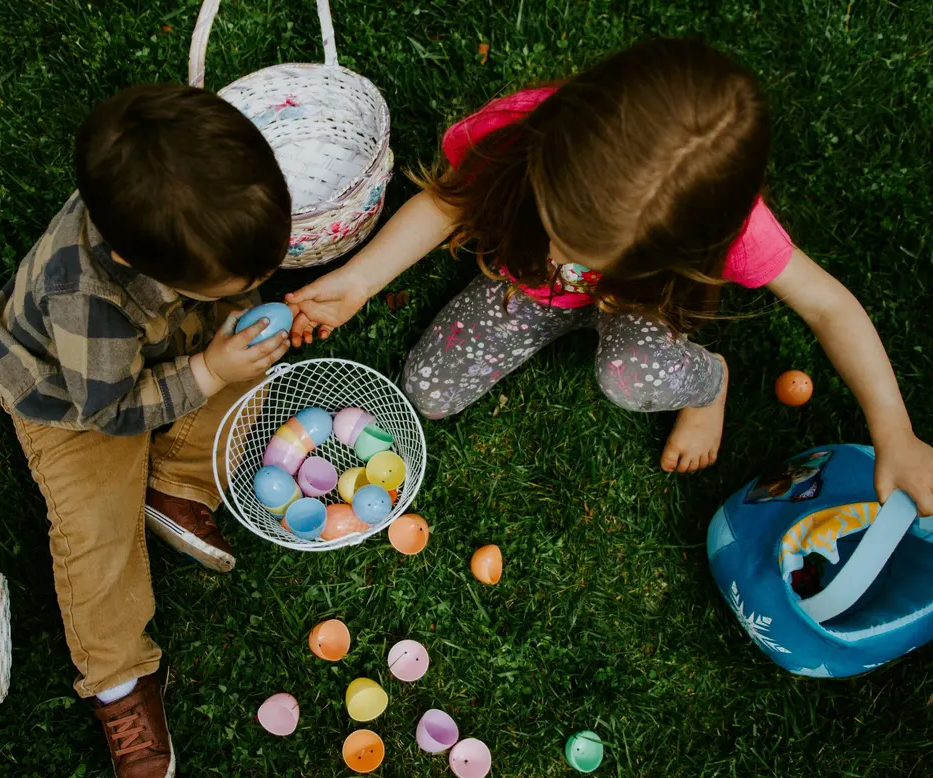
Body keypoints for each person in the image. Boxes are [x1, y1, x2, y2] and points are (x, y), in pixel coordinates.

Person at [285, 38, 933, 515]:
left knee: (627, 377)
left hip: (641, 311)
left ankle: (709, 383)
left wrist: (894, 431)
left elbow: (831, 308)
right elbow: (448, 202)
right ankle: (553, 314)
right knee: (426, 391)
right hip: (525, 288)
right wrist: (363, 279)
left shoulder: (734, 227)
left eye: (599, 252)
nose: (571, 254)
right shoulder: (523, 128)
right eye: (556, 219)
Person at [0, 84, 291, 778]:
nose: (257, 285)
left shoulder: (185, 218)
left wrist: (242, 325)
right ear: (134, 258)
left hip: (162, 349)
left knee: (260, 373)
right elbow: (114, 412)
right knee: (95, 531)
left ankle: (175, 483)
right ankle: (118, 674)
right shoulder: (86, 301)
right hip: (75, 403)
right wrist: (212, 367)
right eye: (239, 280)